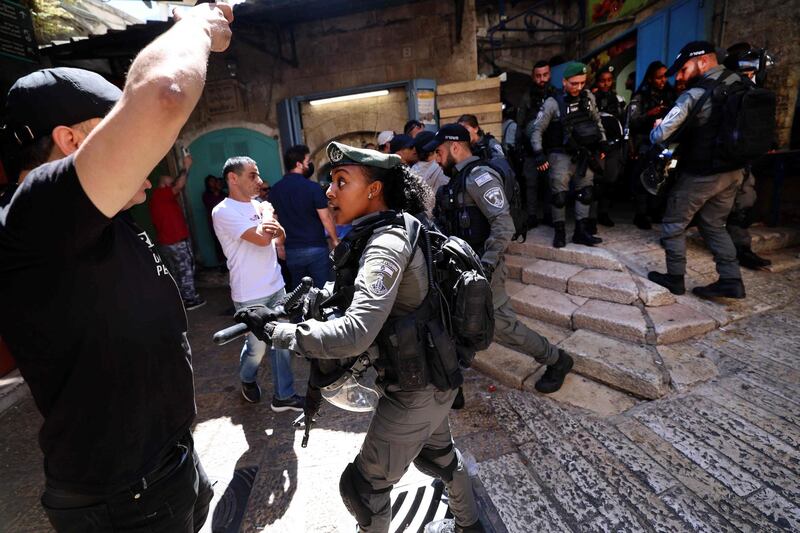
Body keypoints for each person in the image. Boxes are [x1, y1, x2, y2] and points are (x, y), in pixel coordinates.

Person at [0, 2, 233, 530]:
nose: (143, 161)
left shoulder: (104, 221)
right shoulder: (36, 215)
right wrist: (194, 26)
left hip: (169, 470)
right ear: (71, 142)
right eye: (113, 129)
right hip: (125, 503)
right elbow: (164, 94)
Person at [235, 141, 484, 533]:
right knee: (440, 457)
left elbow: (354, 332)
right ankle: (472, 525)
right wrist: (305, 303)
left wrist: (276, 331)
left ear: (373, 190)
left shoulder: (386, 243)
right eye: (330, 182)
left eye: (340, 181)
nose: (329, 192)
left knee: (364, 488)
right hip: (437, 377)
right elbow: (364, 297)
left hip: (414, 391)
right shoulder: (398, 226)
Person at [427, 124, 574, 393]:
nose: (436, 159)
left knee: (502, 326)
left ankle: (557, 359)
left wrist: (486, 265)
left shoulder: (479, 177)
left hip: (483, 271)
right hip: (462, 269)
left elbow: (503, 225)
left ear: (455, 147)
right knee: (457, 322)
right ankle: (453, 384)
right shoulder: (456, 182)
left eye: (438, 152)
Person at [647, 41, 747, 299]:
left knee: (673, 222)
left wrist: (658, 124)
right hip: (734, 171)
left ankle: (674, 278)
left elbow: (660, 135)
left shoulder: (696, 93)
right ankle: (731, 279)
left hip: (703, 172)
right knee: (715, 224)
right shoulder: (739, 83)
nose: (679, 76)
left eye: (683, 69)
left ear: (703, 61)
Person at [212, 156, 305, 410]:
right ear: (233, 178)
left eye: (258, 175)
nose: (260, 181)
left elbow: (279, 235)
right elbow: (263, 239)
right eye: (252, 175)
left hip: (276, 285)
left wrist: (274, 226)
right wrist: (266, 213)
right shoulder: (223, 211)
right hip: (250, 294)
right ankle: (246, 378)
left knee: (283, 341)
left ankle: (283, 396)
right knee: (257, 348)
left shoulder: (258, 205)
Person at [531, 61, 608, 248]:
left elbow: (597, 121)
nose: (579, 87)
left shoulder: (588, 97)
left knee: (586, 192)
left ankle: (581, 232)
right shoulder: (553, 102)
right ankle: (559, 232)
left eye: (582, 83)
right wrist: (539, 153)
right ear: (564, 81)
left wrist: (603, 142)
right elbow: (537, 130)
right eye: (574, 83)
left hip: (584, 154)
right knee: (559, 196)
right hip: (561, 155)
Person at [722, 42, 773, 270]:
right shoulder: (727, 85)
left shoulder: (753, 87)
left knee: (744, 201)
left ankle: (741, 248)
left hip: (744, 155)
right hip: (725, 155)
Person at [270, 144, 338, 289]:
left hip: (291, 250)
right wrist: (335, 240)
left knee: (299, 293)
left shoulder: (275, 189)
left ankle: (302, 312)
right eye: (308, 161)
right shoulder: (312, 188)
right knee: (322, 291)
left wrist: (279, 245)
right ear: (299, 164)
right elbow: (325, 217)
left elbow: (274, 220)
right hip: (316, 248)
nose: (309, 164)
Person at [149, 153, 206, 310]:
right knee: (186, 270)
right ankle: (190, 300)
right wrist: (186, 166)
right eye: (170, 181)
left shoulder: (160, 198)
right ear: (164, 184)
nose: (174, 182)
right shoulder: (162, 194)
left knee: (176, 272)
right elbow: (179, 185)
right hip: (176, 241)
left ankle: (181, 298)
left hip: (167, 243)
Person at [629, 60, 676, 229]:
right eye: (659, 78)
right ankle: (641, 214)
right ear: (650, 79)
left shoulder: (671, 94)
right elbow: (632, 122)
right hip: (645, 143)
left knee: (663, 177)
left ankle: (656, 211)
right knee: (643, 178)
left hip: (667, 144)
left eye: (665, 77)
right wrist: (649, 114)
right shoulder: (640, 96)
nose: (663, 81)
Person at [516, 60, 557, 228]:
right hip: (531, 151)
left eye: (545, 75)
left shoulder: (556, 96)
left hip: (551, 149)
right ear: (533, 77)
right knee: (531, 184)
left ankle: (549, 215)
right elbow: (520, 124)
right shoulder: (527, 97)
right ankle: (532, 215)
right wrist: (519, 147)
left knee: (550, 183)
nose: (542, 79)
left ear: (550, 75)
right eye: (538, 76)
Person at [590, 65, 627, 229]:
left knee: (610, 180)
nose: (606, 84)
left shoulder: (618, 99)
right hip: (598, 146)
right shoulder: (591, 99)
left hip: (615, 145)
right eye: (602, 81)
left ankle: (603, 213)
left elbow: (625, 123)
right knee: (595, 181)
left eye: (609, 80)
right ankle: (591, 217)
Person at [202, 173, 227, 267]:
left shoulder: (224, 194)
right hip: (215, 224)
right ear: (208, 184)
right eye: (212, 181)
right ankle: (222, 264)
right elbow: (213, 206)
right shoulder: (206, 195)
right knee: (218, 244)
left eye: (215, 181)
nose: (215, 183)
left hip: (226, 223)